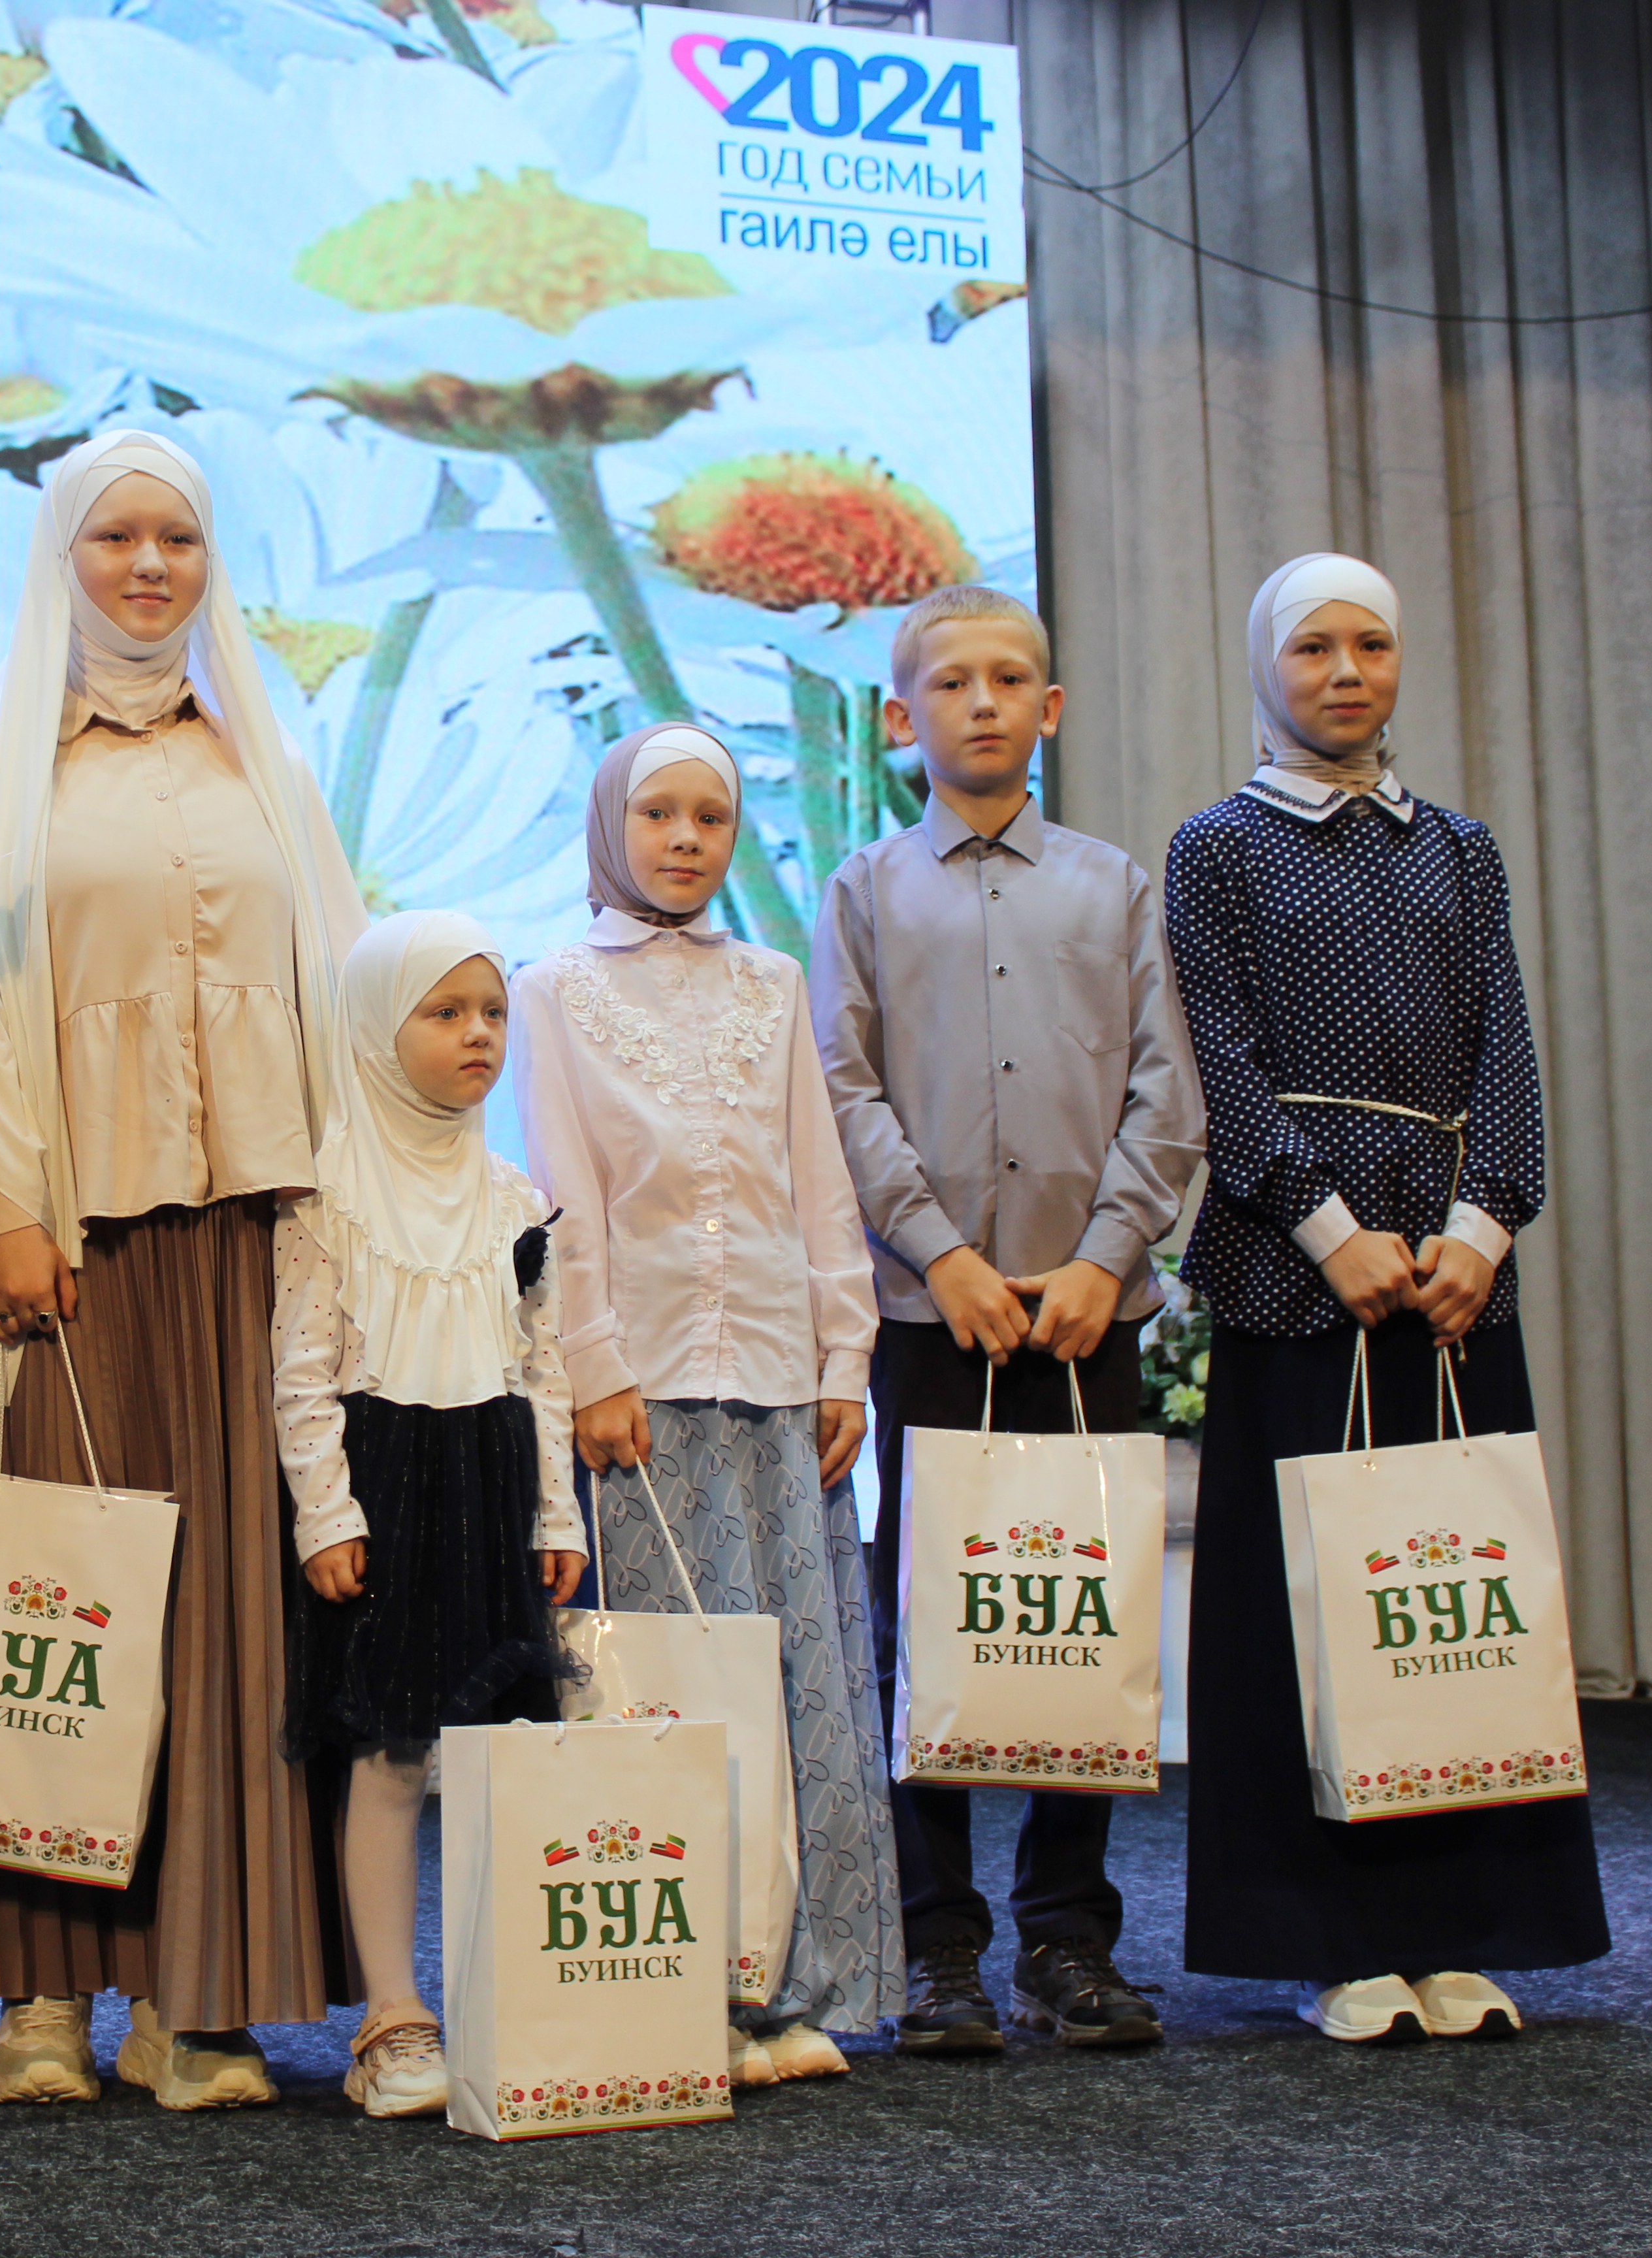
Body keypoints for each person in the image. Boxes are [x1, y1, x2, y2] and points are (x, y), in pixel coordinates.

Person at [0, 426, 366, 2109]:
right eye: (116, 539)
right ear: (60, 562)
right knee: (54, 1605)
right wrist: (9, 1202)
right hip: (64, 1249)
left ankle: (199, 1991)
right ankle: (38, 2000)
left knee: (230, 1619)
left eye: (178, 537)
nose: (151, 566)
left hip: (243, 1242)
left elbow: (343, 999)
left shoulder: (268, 769)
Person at [1165, 552, 1610, 2041]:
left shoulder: (1462, 850)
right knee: (1302, 1616)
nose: (1346, 672)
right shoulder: (1217, 848)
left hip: (1450, 1281)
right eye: (1313, 648)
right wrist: (1327, 1227)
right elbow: (1221, 1058)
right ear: (1264, 669)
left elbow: (1507, 1054)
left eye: (1370, 645)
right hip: (1312, 1283)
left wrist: (1483, 1226)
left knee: (1451, 1607)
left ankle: (1464, 1917)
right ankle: (1334, 1936)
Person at [809, 585, 1204, 2056]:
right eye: (951, 683)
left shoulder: (1117, 885)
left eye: (1013, 678)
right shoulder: (862, 892)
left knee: (1073, 1618)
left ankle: (1067, 1938)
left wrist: (1105, 1258)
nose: (984, 701)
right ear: (902, 721)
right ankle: (939, 1948)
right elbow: (840, 1091)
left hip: (1085, 1317)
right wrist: (941, 1256)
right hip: (935, 1319)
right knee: (934, 1625)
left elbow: (1170, 1088)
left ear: (1052, 709)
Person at [512, 723, 897, 2085]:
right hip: (648, 1398)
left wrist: (843, 1356)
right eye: (660, 814)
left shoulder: (773, 983)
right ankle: (671, 1979)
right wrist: (595, 1365)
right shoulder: (554, 991)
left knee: (795, 1680)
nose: (684, 840)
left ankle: (793, 1987)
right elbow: (564, 1193)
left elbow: (819, 1181)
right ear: (612, 825)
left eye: (712, 819)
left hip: (777, 1384)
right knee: (668, 1692)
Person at [275, 910, 588, 2119]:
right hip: (386, 1479)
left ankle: (505, 2000)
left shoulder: (513, 1195)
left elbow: (544, 1368)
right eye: (446, 1013)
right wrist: (325, 1513)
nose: (479, 1037)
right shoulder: (326, 1193)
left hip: (491, 1475)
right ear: (375, 1025)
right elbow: (300, 1372)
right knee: (391, 1753)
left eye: (494, 1014)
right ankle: (393, 2014)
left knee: (496, 1753)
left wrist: (556, 1516)